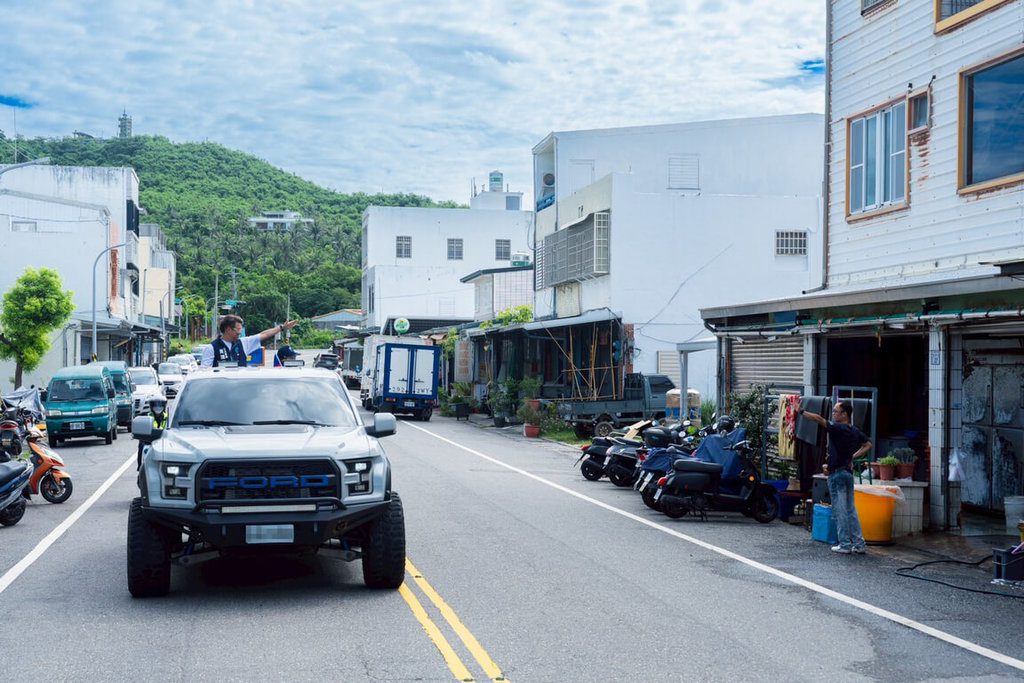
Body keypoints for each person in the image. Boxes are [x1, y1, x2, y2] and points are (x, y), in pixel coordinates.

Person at [801, 400, 872, 554]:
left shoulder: (838, 428)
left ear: (844, 414)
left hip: (837, 475)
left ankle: (845, 544)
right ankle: (859, 544)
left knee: (840, 511)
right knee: (850, 510)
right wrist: (852, 457)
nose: (833, 414)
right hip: (847, 474)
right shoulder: (854, 430)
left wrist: (800, 411)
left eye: (835, 411)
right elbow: (868, 444)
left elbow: (819, 419)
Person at [201, 315, 298, 368]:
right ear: (228, 329)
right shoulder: (211, 349)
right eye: (237, 330)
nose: (240, 333)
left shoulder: (243, 343)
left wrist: (281, 328)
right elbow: (203, 374)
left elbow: (264, 334)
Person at [138, 395, 169, 469]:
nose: (158, 408)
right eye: (155, 405)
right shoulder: (148, 417)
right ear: (151, 406)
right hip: (150, 440)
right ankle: (140, 466)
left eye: (160, 405)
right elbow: (142, 429)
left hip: (166, 440)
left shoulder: (168, 417)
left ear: (164, 406)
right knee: (141, 445)